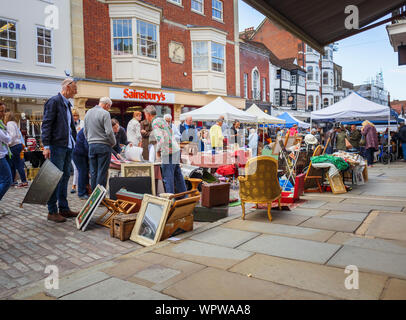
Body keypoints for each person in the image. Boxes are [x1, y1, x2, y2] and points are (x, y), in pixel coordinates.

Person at [41, 78, 78, 222]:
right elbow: (47, 124)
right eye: (75, 88)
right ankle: (52, 211)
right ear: (67, 87)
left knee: (64, 178)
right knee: (54, 179)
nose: (76, 92)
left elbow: (69, 127)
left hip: (67, 146)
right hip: (57, 146)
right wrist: (46, 146)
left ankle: (64, 208)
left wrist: (74, 141)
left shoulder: (67, 104)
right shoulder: (54, 101)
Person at [146, 105, 186, 194]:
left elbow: (161, 140)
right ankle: (184, 196)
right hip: (175, 149)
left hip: (169, 152)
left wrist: (157, 152)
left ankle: (170, 201)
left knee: (168, 178)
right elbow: (170, 132)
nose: (146, 117)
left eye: (145, 115)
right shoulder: (161, 119)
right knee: (178, 175)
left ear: (148, 114)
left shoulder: (155, 123)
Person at [84, 97, 116, 190]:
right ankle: (100, 198)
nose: (108, 109)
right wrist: (113, 142)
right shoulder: (105, 113)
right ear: (107, 105)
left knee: (93, 172)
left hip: (92, 145)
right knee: (102, 172)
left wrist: (90, 141)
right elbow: (109, 132)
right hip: (103, 145)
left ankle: (94, 197)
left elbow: (85, 131)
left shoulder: (88, 112)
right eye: (109, 107)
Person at [4, 111, 28, 188]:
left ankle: (24, 181)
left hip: (14, 146)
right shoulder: (14, 123)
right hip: (17, 145)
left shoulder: (9, 124)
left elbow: (13, 135)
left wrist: (8, 143)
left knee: (17, 164)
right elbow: (17, 134)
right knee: (13, 164)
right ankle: (13, 181)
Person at [0, 103, 12, 211]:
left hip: (3, 154)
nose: (3, 113)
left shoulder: (2, 124)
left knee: (2, 180)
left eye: (4, 110)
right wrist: (7, 135)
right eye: (1, 111)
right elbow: (8, 139)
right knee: (8, 180)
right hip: (0, 157)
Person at [72, 127, 89, 200]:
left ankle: (85, 191)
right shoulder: (86, 130)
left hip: (81, 153)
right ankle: (81, 193)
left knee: (84, 172)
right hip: (79, 154)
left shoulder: (85, 129)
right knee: (82, 172)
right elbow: (86, 145)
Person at [70, 109, 83, 194]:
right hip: (72, 148)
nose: (75, 117)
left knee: (79, 168)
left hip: (81, 148)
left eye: (76, 115)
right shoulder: (69, 125)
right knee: (76, 168)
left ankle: (77, 185)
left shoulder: (82, 123)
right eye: (73, 115)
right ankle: (74, 185)